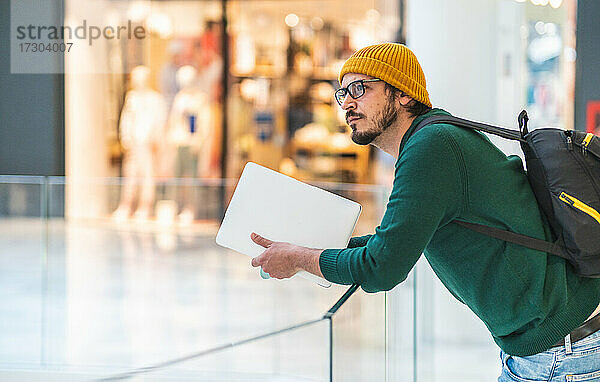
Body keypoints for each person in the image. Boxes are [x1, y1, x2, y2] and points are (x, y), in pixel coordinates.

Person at [249, 43, 600, 381]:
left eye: (360, 88)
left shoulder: (430, 149)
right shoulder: (434, 139)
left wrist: (299, 259)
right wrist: (306, 249)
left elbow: (381, 268)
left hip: (564, 352)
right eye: (342, 94)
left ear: (403, 93)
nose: (348, 104)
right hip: (558, 342)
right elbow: (393, 242)